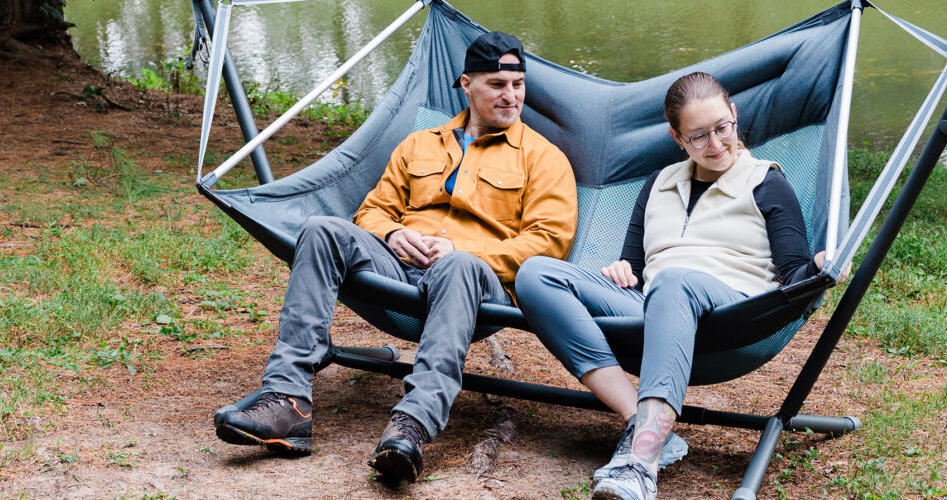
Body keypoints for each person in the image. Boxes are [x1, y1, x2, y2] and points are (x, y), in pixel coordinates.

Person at [213, 31, 578, 484]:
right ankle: (287, 401)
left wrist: (463, 249)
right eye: (497, 85)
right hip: (398, 267)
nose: (511, 96)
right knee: (321, 229)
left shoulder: (543, 158)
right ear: (467, 84)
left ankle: (414, 424)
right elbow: (373, 210)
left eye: (518, 85)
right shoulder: (420, 144)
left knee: (458, 263)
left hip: (476, 281)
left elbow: (549, 242)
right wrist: (393, 232)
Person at [515, 72, 841, 500]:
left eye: (723, 128)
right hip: (653, 308)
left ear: (734, 115)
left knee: (674, 280)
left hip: (732, 315)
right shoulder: (659, 184)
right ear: (677, 137)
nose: (717, 144)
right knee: (536, 273)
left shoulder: (766, 182)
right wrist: (621, 271)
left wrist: (821, 264)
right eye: (699, 136)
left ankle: (640, 465)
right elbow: (635, 266)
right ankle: (648, 424)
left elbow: (795, 273)